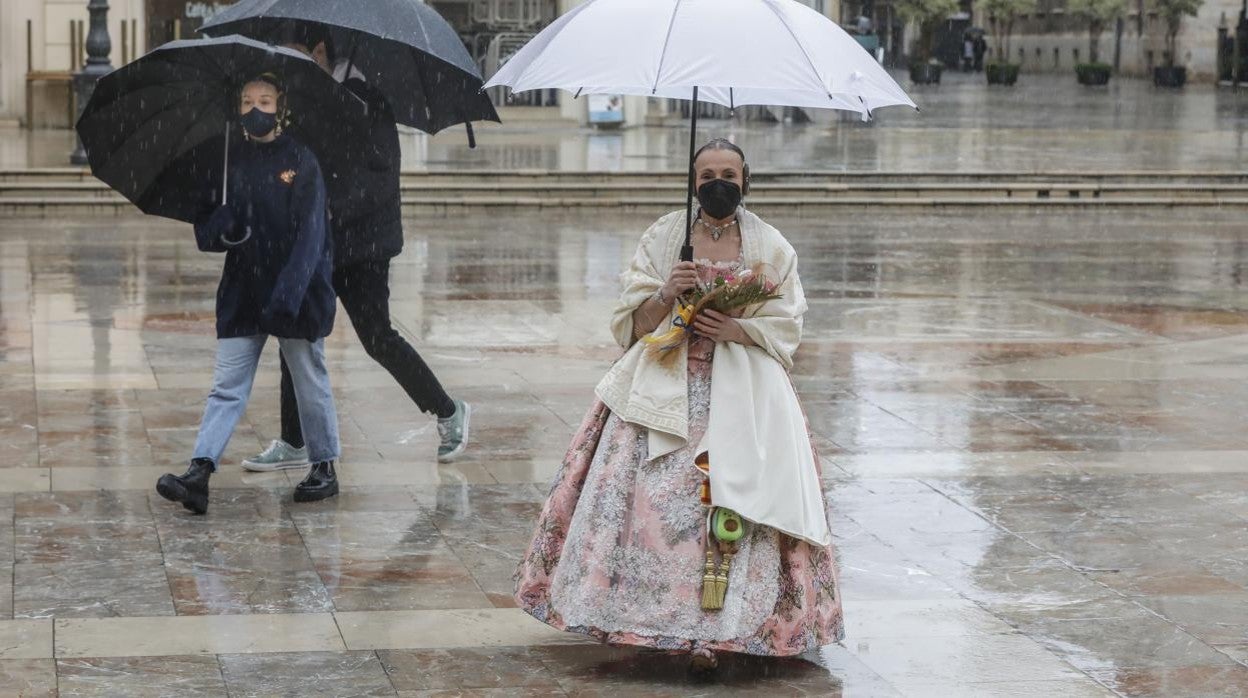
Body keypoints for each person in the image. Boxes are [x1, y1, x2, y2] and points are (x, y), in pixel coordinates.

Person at [514, 139, 843, 673]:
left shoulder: (771, 245)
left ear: (746, 179)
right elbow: (630, 325)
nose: (718, 184)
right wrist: (668, 293)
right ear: (693, 182)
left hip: (746, 390)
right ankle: (655, 620)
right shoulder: (665, 237)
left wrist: (737, 328)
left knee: (734, 506)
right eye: (707, 175)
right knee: (654, 511)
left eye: (728, 174)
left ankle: (729, 629)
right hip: (662, 388)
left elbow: (789, 324)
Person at [242, 25, 471, 473]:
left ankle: (448, 411)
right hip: (316, 242)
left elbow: (379, 179)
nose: (288, 67)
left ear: (320, 51)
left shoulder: (366, 99)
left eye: (296, 56)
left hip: (365, 242)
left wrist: (330, 210)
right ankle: (294, 440)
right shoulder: (300, 100)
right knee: (296, 334)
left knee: (377, 338)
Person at [156, 74, 341, 515]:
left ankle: (324, 466)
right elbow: (207, 232)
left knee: (308, 380)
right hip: (243, 291)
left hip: (294, 294)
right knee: (226, 387)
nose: (255, 109)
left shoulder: (301, 160)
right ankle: (199, 472)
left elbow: (311, 237)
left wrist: (288, 295)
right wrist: (217, 227)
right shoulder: (227, 160)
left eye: (264, 100)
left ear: (281, 106)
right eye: (246, 101)